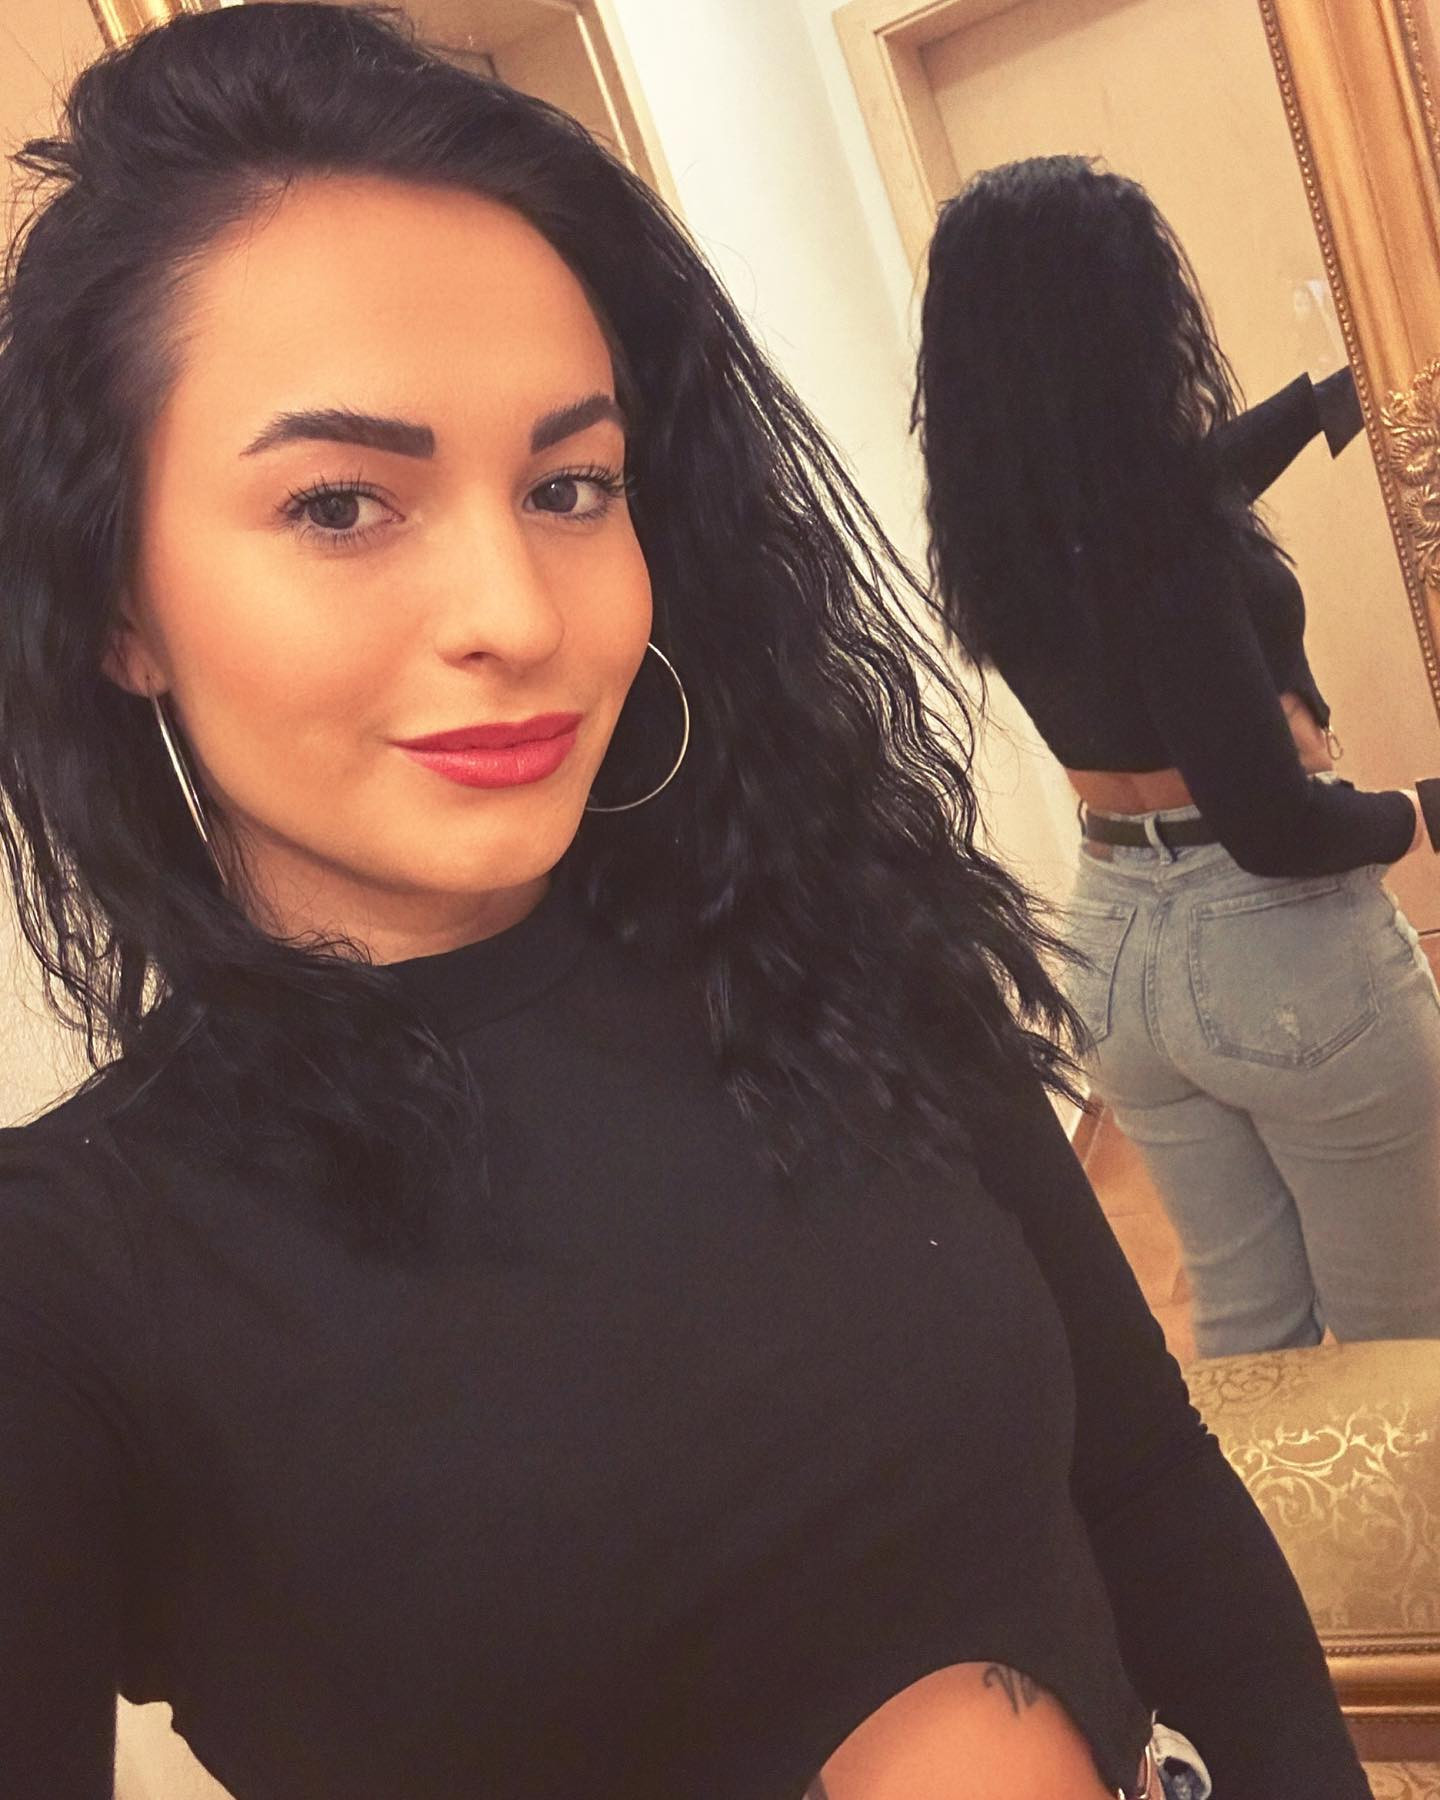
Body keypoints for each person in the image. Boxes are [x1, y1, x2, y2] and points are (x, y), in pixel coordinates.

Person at [0, 14, 1365, 1798]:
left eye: (570, 486)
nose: (518, 612)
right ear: (116, 601)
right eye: (340, 505)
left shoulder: (831, 956)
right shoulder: (66, 1286)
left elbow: (1147, 1487)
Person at [914, 152, 1440, 1361]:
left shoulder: (1016, 534)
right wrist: (1421, 809)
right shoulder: (1162, 555)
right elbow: (1276, 828)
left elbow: (1188, 494)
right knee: (1408, 1337)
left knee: (1251, 1337)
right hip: (1268, 945)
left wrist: (1326, 401)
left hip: (1112, 947)